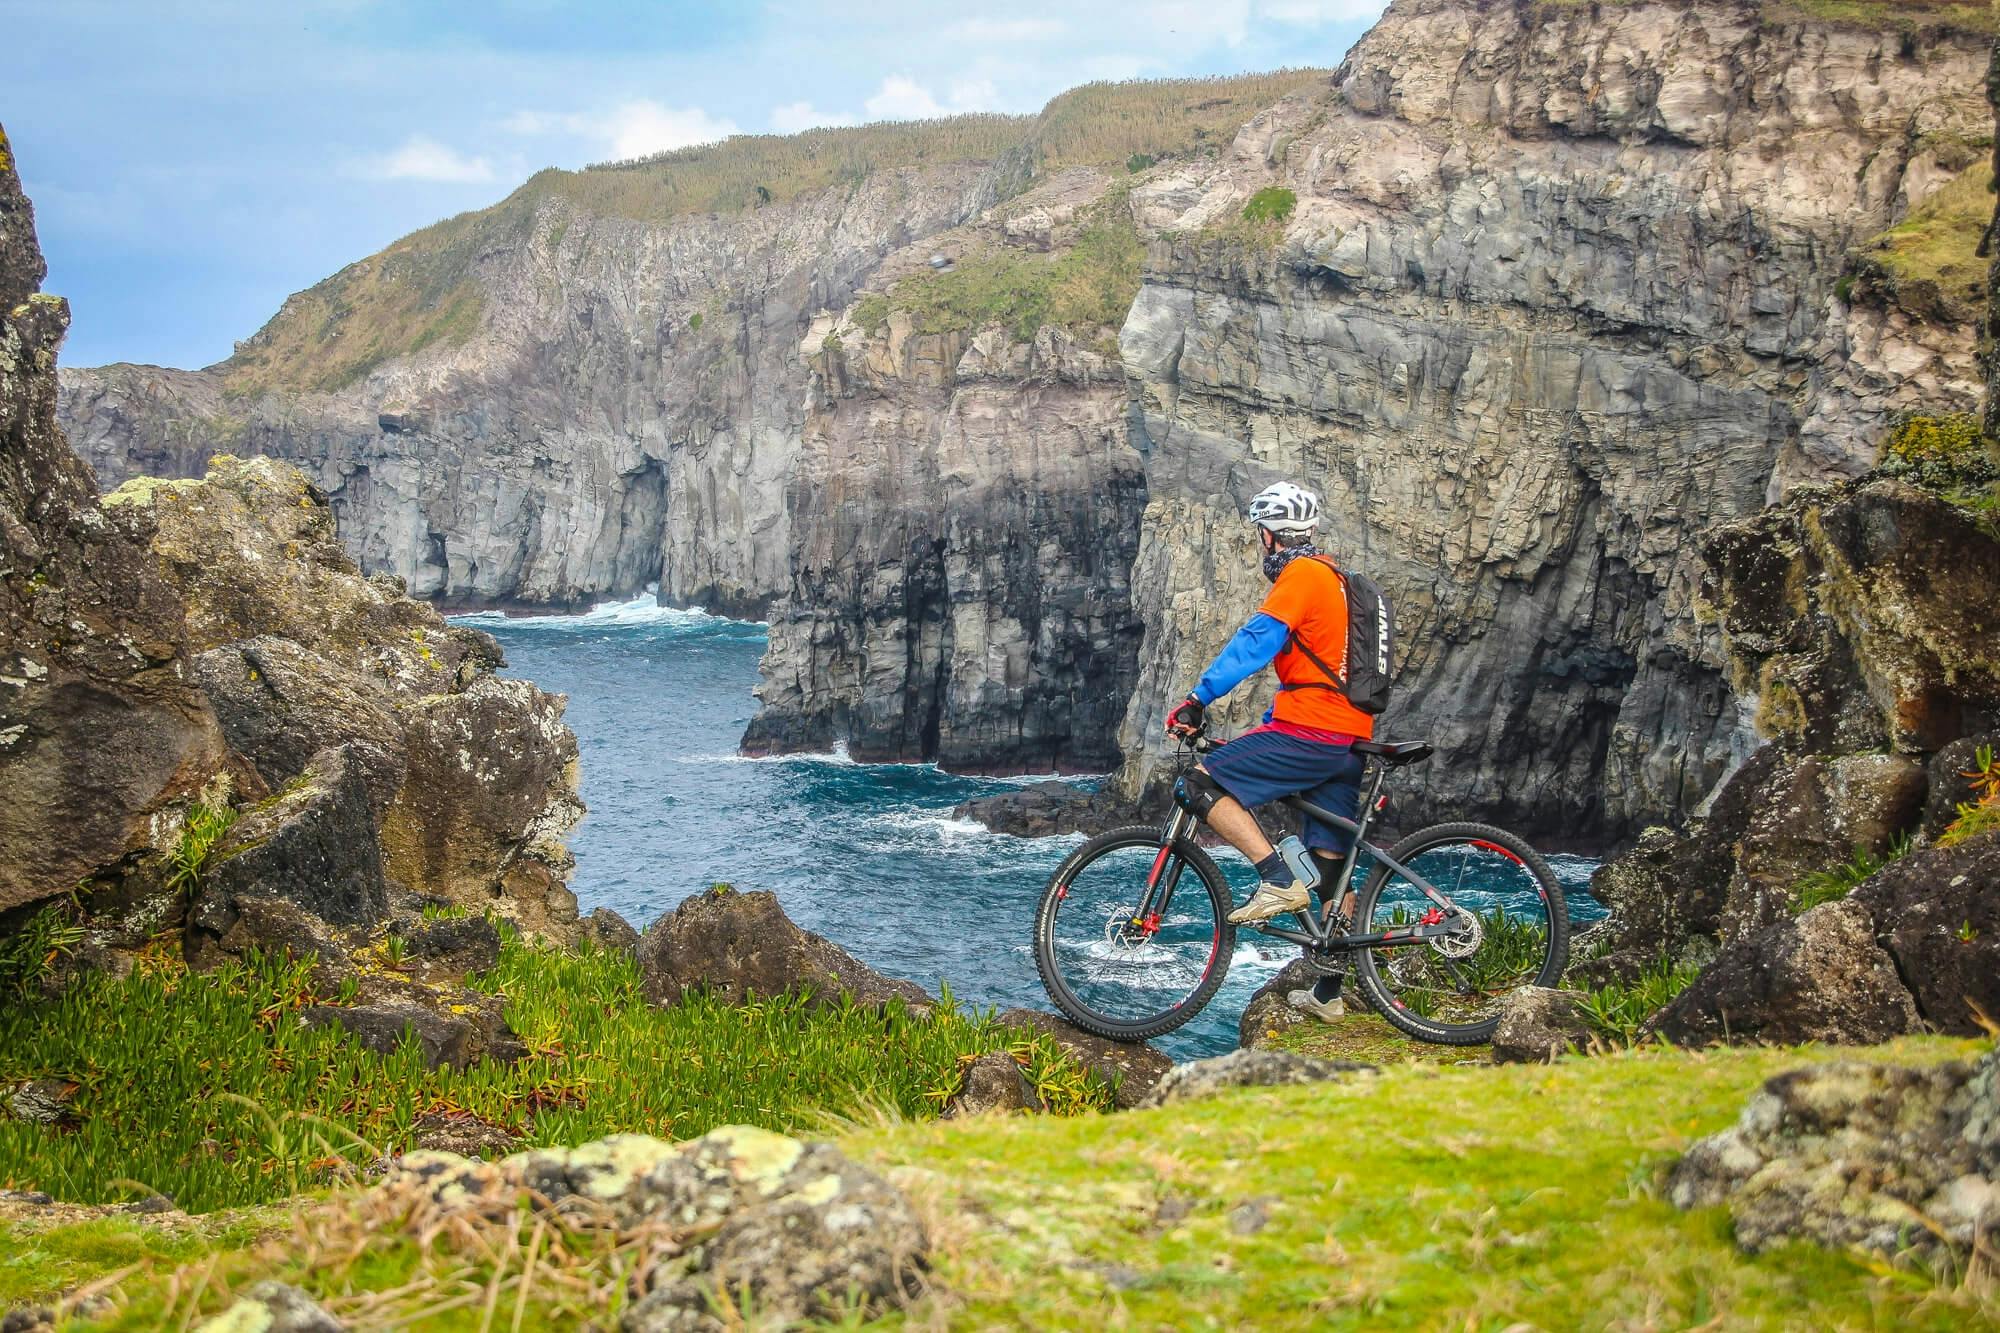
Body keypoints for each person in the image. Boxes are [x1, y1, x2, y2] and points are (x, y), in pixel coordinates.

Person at [1163, 481, 1373, 1023]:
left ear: (1270, 535)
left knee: (1198, 784)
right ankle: (1329, 991)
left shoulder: (1303, 575)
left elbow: (1256, 642)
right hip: (1348, 738)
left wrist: (1196, 699)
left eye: (1261, 535)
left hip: (1312, 732)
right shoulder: (1340, 581)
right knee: (1331, 870)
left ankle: (1276, 880)